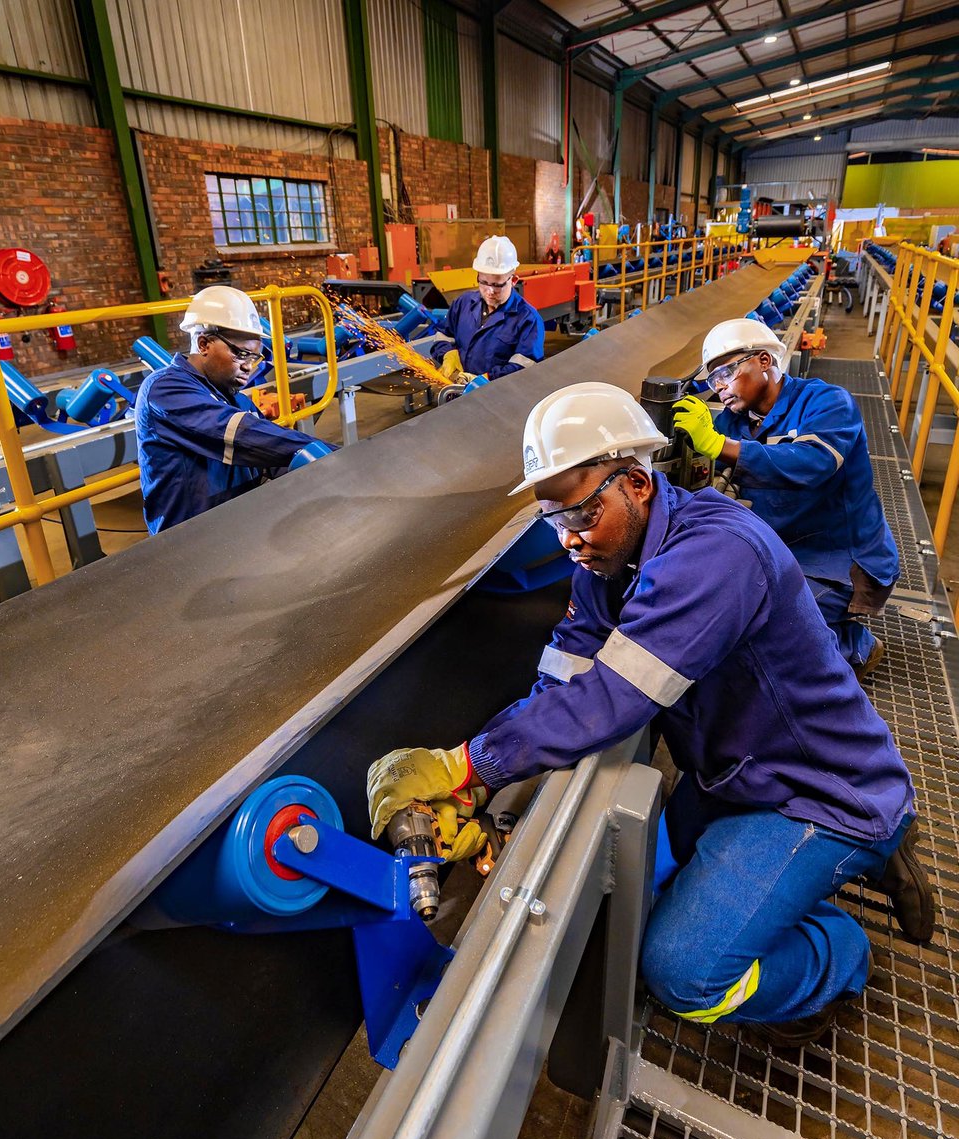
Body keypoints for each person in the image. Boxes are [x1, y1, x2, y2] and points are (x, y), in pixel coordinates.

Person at [367, 382, 935, 1046]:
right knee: (649, 883)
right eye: (555, 521)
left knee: (681, 974)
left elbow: (615, 697)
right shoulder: (607, 563)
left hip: (818, 792)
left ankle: (841, 950)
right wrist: (481, 777)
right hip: (736, 776)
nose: (570, 541)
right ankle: (866, 855)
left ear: (636, 483)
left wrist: (460, 762)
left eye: (581, 514)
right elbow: (566, 681)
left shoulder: (717, 554)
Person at [673, 318, 899, 679]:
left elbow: (815, 462)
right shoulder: (735, 422)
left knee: (770, 634)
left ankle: (856, 646)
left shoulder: (827, 402)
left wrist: (718, 446)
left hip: (841, 561)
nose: (720, 390)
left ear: (764, 361)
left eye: (726, 373)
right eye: (712, 381)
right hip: (785, 549)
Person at [135, 285, 332, 534]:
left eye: (254, 358)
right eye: (241, 354)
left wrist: (324, 475)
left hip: (236, 526)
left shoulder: (235, 399)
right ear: (204, 344)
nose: (248, 367)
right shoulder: (165, 389)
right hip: (187, 539)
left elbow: (273, 457)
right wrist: (335, 458)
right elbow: (243, 436)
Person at [431, 236, 544, 393]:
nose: (490, 291)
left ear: (514, 280)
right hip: (458, 397)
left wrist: (487, 379)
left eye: (497, 285)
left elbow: (525, 366)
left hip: (499, 399)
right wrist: (447, 353)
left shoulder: (528, 319)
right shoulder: (462, 304)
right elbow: (443, 335)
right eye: (484, 282)